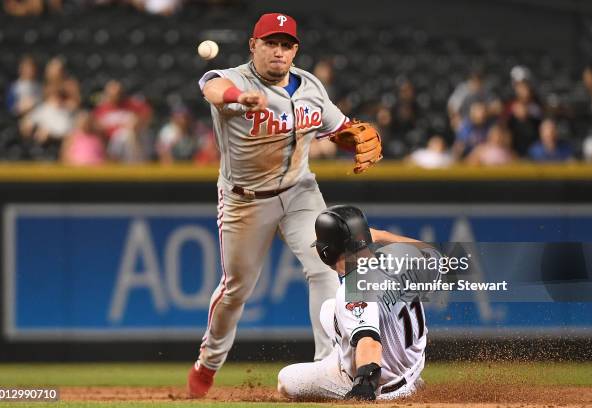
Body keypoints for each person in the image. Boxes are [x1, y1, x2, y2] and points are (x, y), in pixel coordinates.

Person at [188, 12, 381, 398]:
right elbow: (211, 89)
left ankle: (333, 366)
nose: (278, 51)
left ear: (295, 50)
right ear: (253, 46)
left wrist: (352, 136)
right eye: (270, 43)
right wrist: (237, 98)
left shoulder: (309, 85)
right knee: (235, 290)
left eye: (286, 44)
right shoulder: (233, 79)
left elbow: (337, 127)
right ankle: (207, 364)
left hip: (299, 191)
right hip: (245, 200)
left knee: (328, 267)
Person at [278, 205, 441, 401]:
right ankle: (412, 381)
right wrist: (379, 234)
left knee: (286, 380)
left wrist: (363, 388)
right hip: (412, 365)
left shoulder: (354, 288)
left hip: (384, 386)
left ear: (326, 252)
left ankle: (353, 375)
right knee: (329, 310)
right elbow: (434, 256)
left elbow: (368, 341)